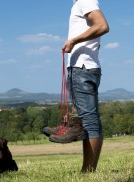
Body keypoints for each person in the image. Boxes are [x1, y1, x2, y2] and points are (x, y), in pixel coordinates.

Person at [43, 0, 109, 172]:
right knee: (86, 118)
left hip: (82, 68)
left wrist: (74, 40)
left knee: (89, 121)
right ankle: (69, 128)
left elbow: (102, 25)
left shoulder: (84, 0)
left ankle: (88, 171)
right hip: (83, 68)